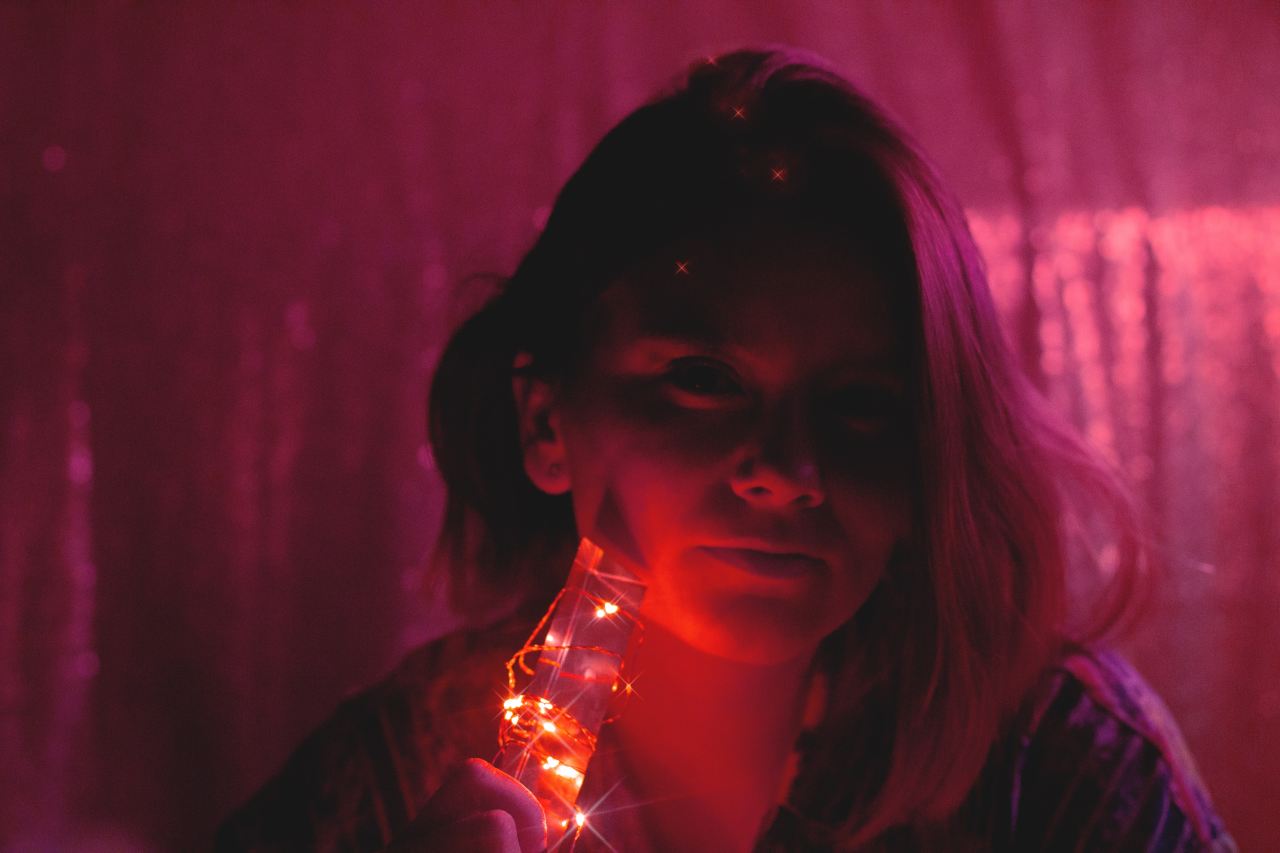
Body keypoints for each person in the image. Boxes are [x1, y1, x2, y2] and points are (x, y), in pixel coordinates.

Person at [215, 45, 1237, 852]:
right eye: (701, 380)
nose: (786, 471)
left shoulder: (1052, 766)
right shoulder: (401, 775)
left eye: (862, 404)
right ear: (544, 422)